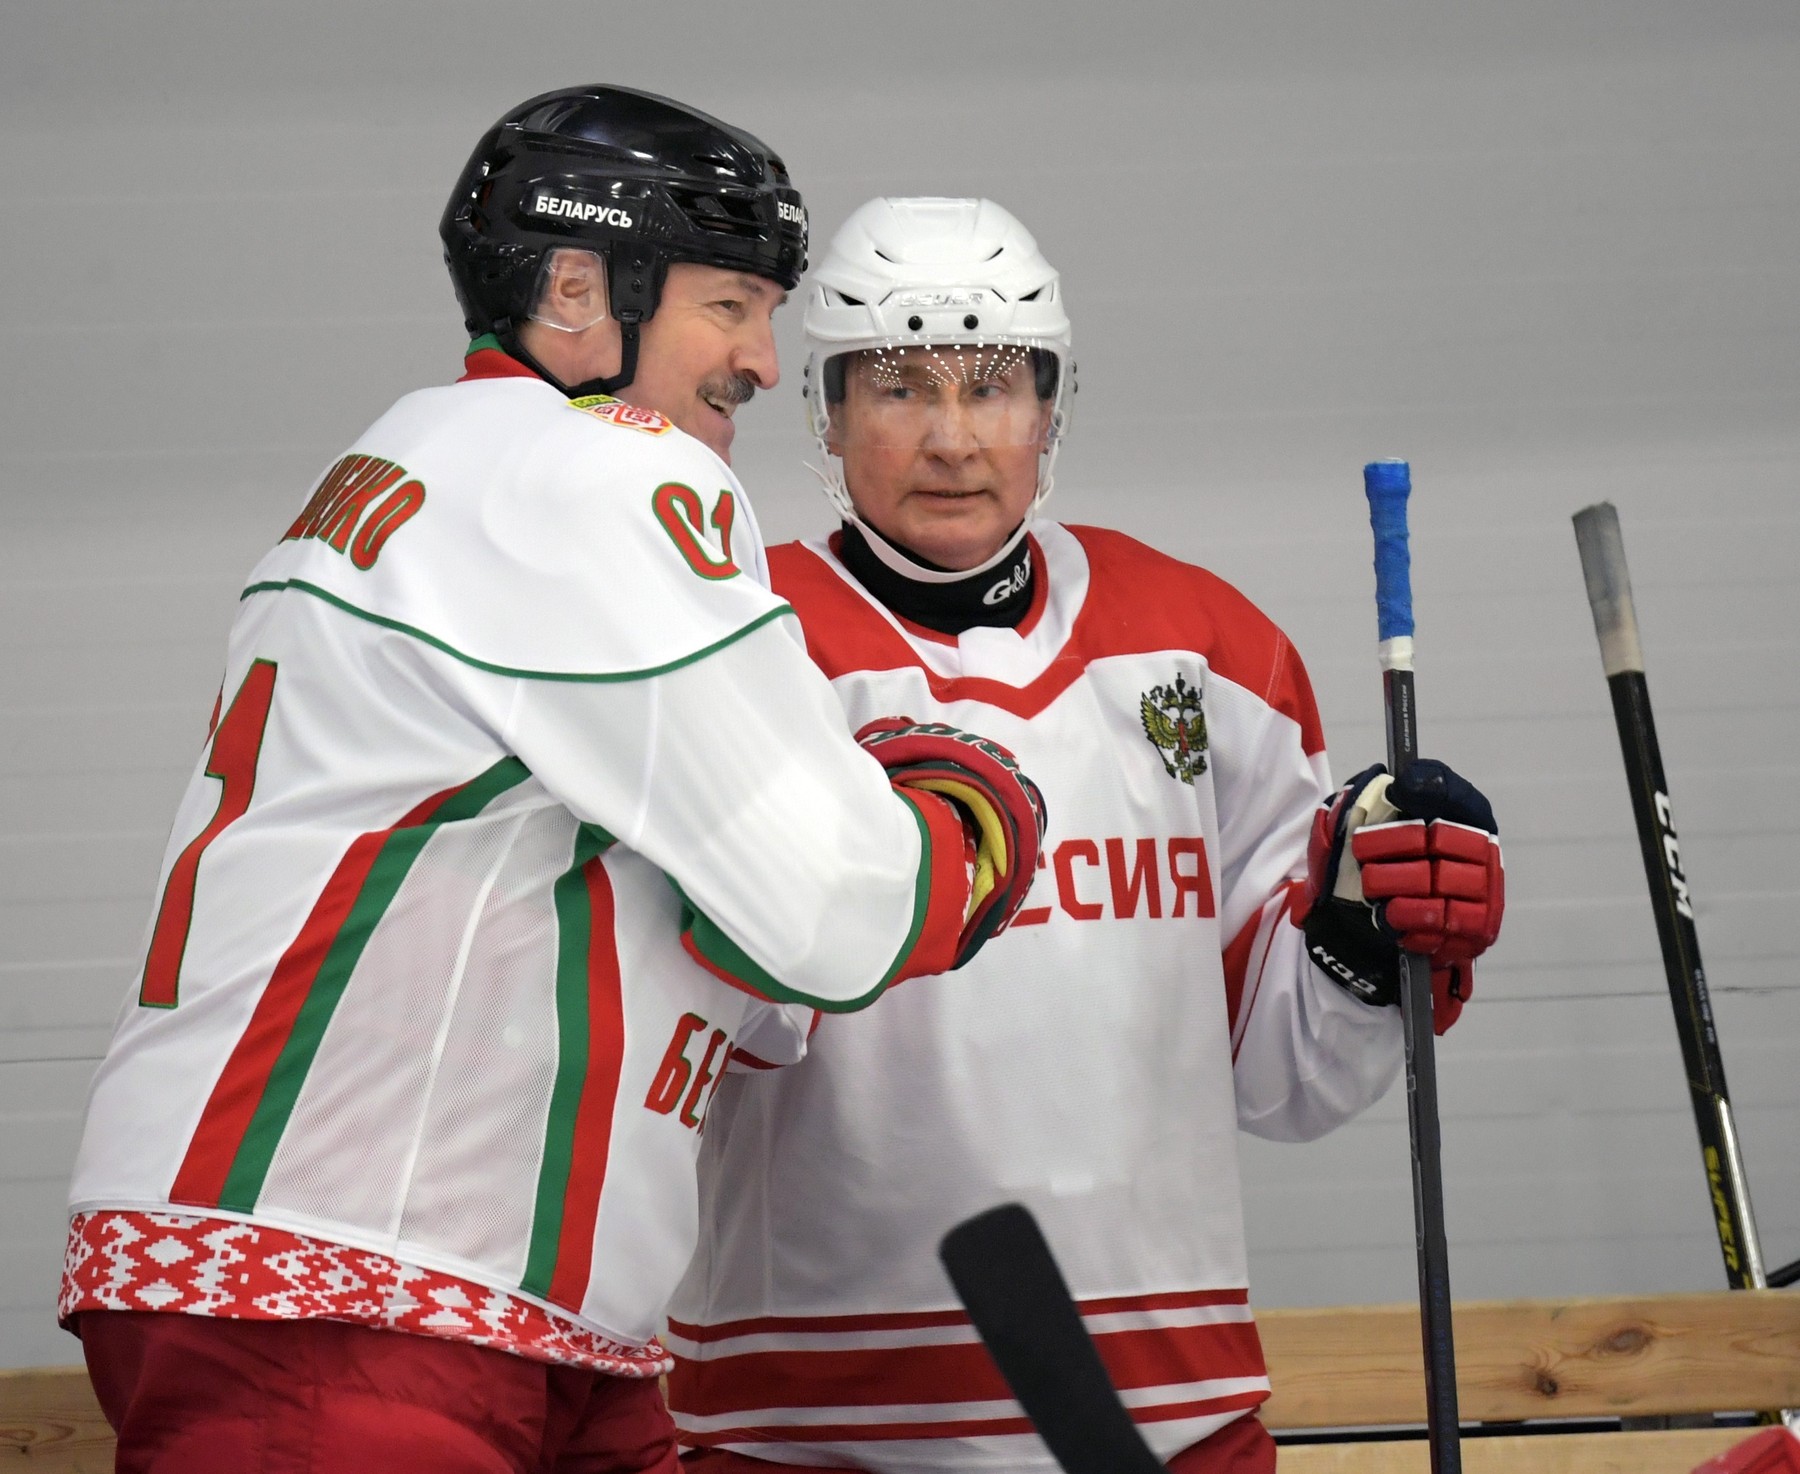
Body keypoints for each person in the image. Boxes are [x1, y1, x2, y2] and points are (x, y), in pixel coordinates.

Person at [60, 106, 1045, 1474]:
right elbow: (838, 911)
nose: (764, 359)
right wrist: (974, 809)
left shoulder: (418, 466)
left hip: (449, 1294)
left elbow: (747, 978)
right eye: (730, 305)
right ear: (576, 290)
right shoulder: (598, 469)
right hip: (367, 1287)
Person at [666, 198, 1506, 1474]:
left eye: (995, 386)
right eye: (898, 387)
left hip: (1169, 1414)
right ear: (826, 415)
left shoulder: (1208, 647)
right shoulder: (732, 636)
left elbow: (1285, 1079)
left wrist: (1360, 933)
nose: (953, 439)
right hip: (813, 1426)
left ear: (1054, 406)